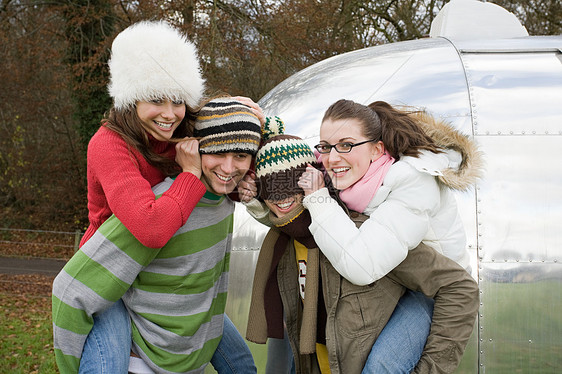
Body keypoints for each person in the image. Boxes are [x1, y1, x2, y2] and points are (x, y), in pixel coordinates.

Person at [52, 19, 261, 373]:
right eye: (155, 99)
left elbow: (232, 143)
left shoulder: (179, 127)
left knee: (239, 361)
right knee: (108, 366)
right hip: (118, 271)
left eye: (178, 100)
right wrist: (192, 174)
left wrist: (250, 114)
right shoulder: (108, 145)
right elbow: (150, 227)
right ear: (130, 97)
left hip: (166, 269)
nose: (169, 114)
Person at [242, 117, 480, 373]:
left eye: (347, 145)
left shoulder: (371, 229)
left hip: (429, 294)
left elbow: (459, 288)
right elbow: (290, 219)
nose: (280, 199)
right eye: (268, 191)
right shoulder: (291, 236)